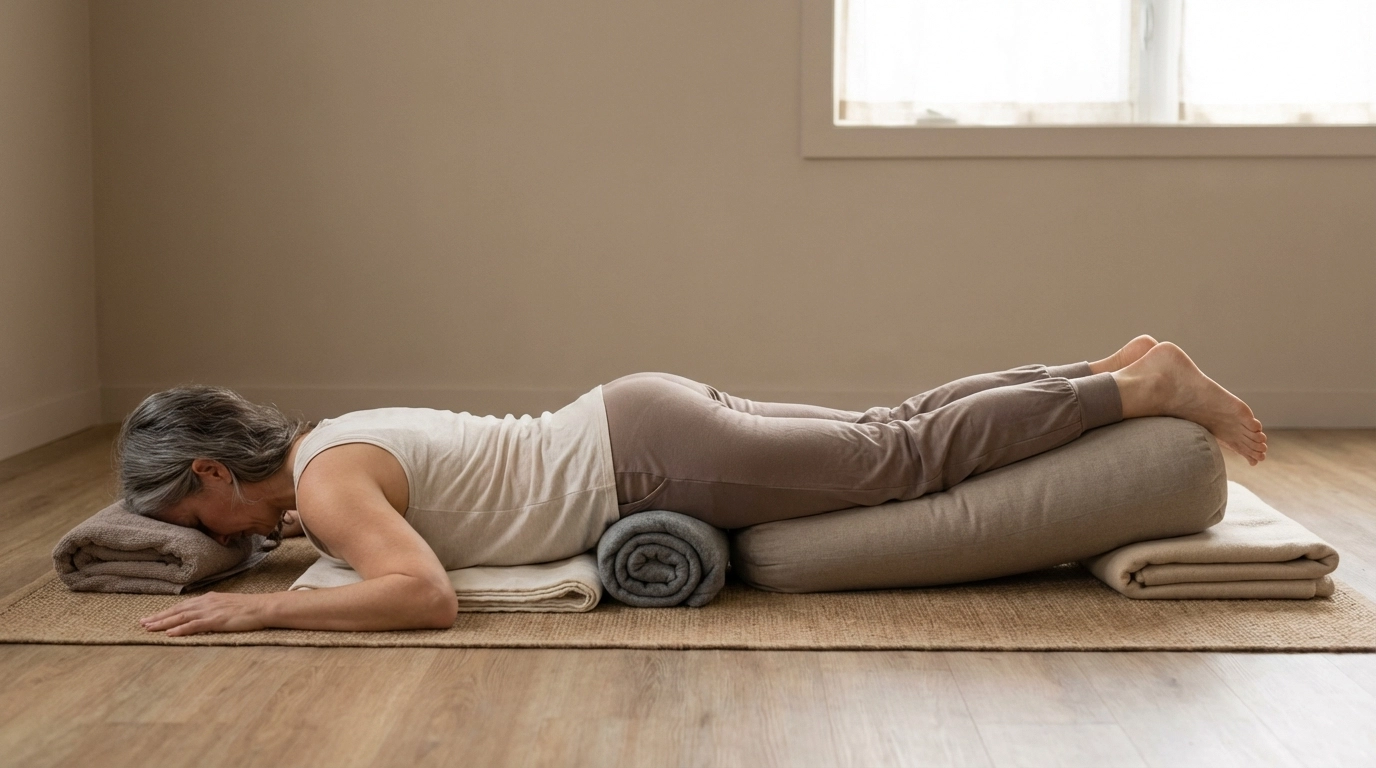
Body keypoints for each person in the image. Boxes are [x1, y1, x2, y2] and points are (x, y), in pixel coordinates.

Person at [128, 336, 1264, 636]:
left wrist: (257, 605)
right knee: (897, 429)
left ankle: (1134, 393)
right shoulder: (334, 443)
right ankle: (1102, 371)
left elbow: (420, 597)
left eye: (196, 518)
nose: (213, 541)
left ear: (217, 469)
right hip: (636, 414)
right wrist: (263, 552)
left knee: (901, 459)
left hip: (646, 457)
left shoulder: (328, 493)